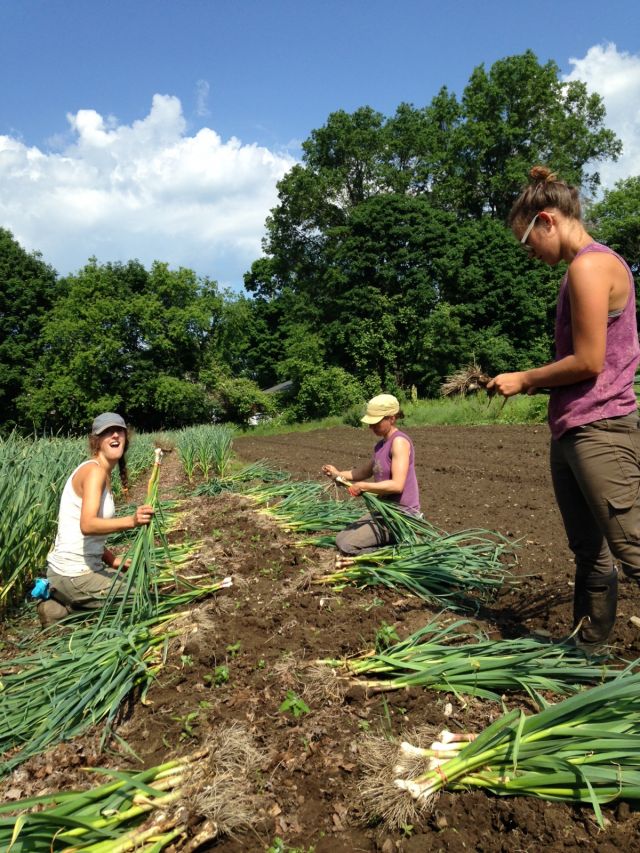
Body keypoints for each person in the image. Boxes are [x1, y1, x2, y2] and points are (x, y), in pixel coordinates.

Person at [487, 165, 640, 645]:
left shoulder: (590, 266)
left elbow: (590, 360)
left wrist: (525, 379)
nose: (530, 252)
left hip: (602, 427)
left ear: (547, 220)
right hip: (573, 428)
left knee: (633, 547)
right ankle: (585, 650)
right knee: (588, 551)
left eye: (528, 241)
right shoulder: (579, 270)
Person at [38, 412, 154, 627]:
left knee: (138, 580)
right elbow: (87, 525)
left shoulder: (101, 472)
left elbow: (79, 533)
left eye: (119, 430)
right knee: (142, 597)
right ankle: (71, 606)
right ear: (96, 441)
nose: (115, 436)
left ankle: (57, 607)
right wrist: (132, 521)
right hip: (73, 573)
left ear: (126, 437)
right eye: (107, 432)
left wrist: (112, 560)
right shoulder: (94, 472)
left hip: (78, 570)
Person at [322, 394, 421, 556]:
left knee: (348, 545)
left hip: (401, 515)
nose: (371, 427)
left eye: (376, 422)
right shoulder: (380, 446)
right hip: (384, 511)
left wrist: (364, 487)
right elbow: (361, 473)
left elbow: (397, 485)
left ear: (392, 418)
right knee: (341, 538)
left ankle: (400, 551)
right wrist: (337, 474)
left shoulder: (399, 442)